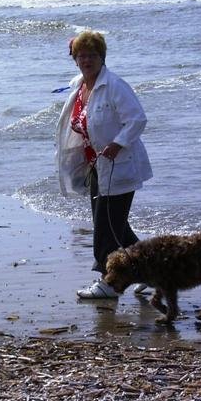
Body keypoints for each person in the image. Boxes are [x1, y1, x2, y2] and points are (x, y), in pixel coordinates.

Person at [56, 31, 152, 298]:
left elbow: (137, 119)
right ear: (74, 59)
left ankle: (107, 282)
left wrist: (118, 143)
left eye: (92, 55)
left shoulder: (114, 85)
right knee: (118, 227)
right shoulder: (80, 85)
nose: (86, 60)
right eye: (81, 55)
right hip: (95, 166)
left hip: (119, 165)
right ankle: (151, 272)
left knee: (106, 227)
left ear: (102, 57)